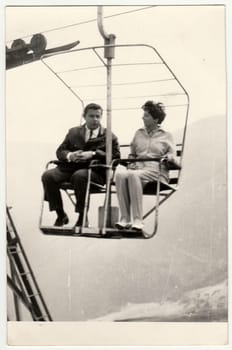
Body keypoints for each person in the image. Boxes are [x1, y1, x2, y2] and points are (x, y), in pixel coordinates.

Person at [42, 103, 120, 227]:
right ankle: (60, 214)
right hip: (70, 169)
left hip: (95, 172)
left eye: (98, 116)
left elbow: (116, 157)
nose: (95, 119)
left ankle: (82, 217)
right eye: (91, 116)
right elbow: (60, 151)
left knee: (80, 176)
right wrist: (70, 155)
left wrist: (94, 154)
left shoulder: (109, 136)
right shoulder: (73, 132)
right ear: (84, 116)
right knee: (48, 176)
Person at [115, 100, 177, 231]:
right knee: (120, 174)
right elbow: (132, 154)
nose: (143, 117)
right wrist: (131, 163)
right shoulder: (139, 133)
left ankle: (138, 220)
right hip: (138, 170)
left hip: (156, 171)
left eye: (147, 116)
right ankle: (125, 218)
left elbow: (173, 156)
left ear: (156, 119)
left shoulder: (166, 135)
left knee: (132, 175)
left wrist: (168, 158)